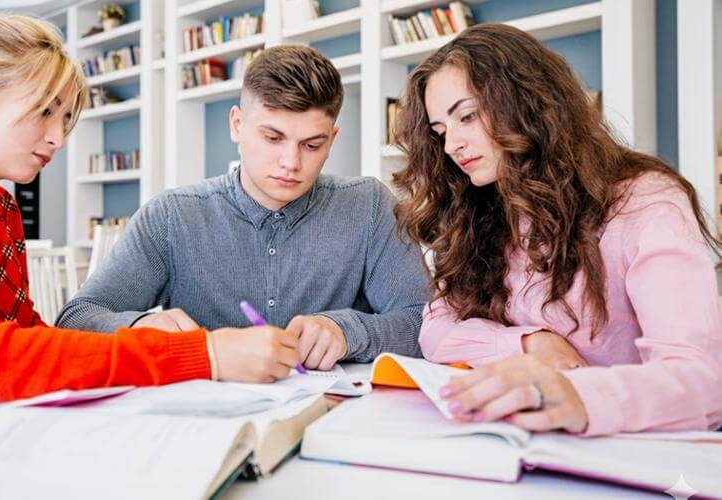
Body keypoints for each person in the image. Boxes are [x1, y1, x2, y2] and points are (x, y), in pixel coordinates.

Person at [0, 15, 298, 480]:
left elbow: (32, 337)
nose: (58, 136)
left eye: (66, 117)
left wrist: (144, 330)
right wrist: (205, 354)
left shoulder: (1, 212)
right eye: (46, 110)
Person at [393, 23, 722, 436]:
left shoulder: (645, 201)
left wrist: (578, 394)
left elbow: (702, 383)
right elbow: (437, 328)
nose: (451, 145)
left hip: (635, 448)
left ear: (528, 102)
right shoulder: (484, 208)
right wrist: (529, 344)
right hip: (527, 442)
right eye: (441, 131)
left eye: (468, 116)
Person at [57, 45, 430, 370]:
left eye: (312, 145)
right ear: (237, 125)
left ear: (332, 139)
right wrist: (139, 328)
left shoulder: (368, 207)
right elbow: (75, 320)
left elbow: (424, 323)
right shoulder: (173, 216)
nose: (290, 162)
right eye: (272, 137)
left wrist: (350, 332)